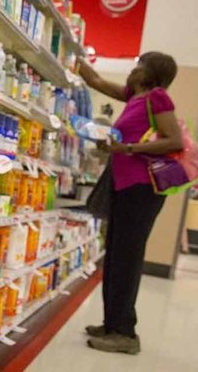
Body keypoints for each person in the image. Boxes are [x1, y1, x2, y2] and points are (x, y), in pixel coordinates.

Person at [78, 52, 184, 354]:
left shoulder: (158, 98)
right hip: (125, 185)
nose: (133, 69)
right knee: (114, 256)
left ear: (149, 73)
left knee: (126, 258)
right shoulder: (134, 97)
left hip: (143, 188)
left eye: (139, 65)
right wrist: (77, 60)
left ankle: (125, 333)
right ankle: (112, 324)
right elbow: (96, 81)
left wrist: (126, 147)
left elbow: (174, 140)